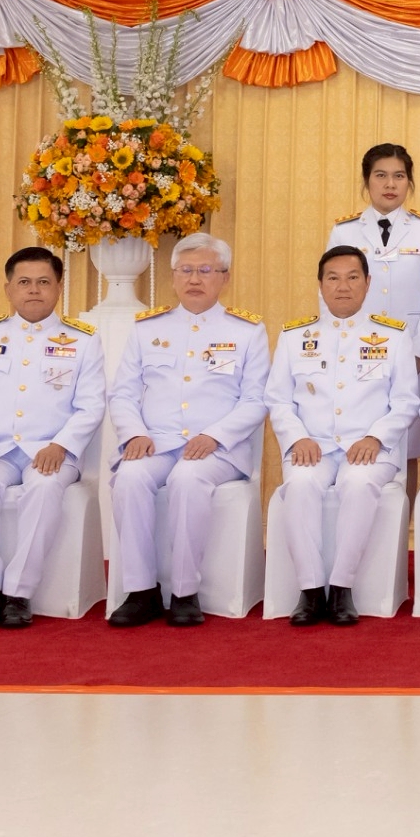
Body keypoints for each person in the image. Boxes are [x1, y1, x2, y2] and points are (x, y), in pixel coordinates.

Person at [107, 233, 271, 628]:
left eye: (205, 270)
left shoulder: (247, 331)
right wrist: (134, 434)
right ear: (173, 276)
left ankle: (184, 592)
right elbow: (123, 393)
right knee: (129, 478)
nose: (194, 279)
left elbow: (256, 400)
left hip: (218, 449)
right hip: (155, 442)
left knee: (187, 478)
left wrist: (214, 436)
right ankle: (141, 591)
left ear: (224, 277)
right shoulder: (147, 328)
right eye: (186, 270)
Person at [0, 248, 107, 629]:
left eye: (43, 282)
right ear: (8, 289)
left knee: (44, 488)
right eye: (24, 282)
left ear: (59, 288)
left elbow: (91, 406)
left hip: (52, 451)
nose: (33, 290)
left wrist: (61, 446)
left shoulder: (83, 341)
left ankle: (18, 592)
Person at [266, 246, 420, 627]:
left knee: (358, 483)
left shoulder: (393, 336)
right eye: (333, 278)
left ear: (368, 283)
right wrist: (297, 438)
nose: (343, 287)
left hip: (369, 449)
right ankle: (309, 590)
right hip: (312, 447)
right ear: (320, 284)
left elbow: (405, 401)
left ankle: (341, 588)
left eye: (353, 278)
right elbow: (277, 399)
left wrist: (375, 438)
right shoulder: (294, 336)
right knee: (299, 485)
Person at [326, 143, 420, 358]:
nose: (390, 184)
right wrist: (339, 343)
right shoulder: (343, 232)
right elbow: (328, 292)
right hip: (355, 346)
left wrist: (419, 352)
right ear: (367, 180)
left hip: (411, 345)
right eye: (381, 175)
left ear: (409, 182)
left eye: (399, 176)